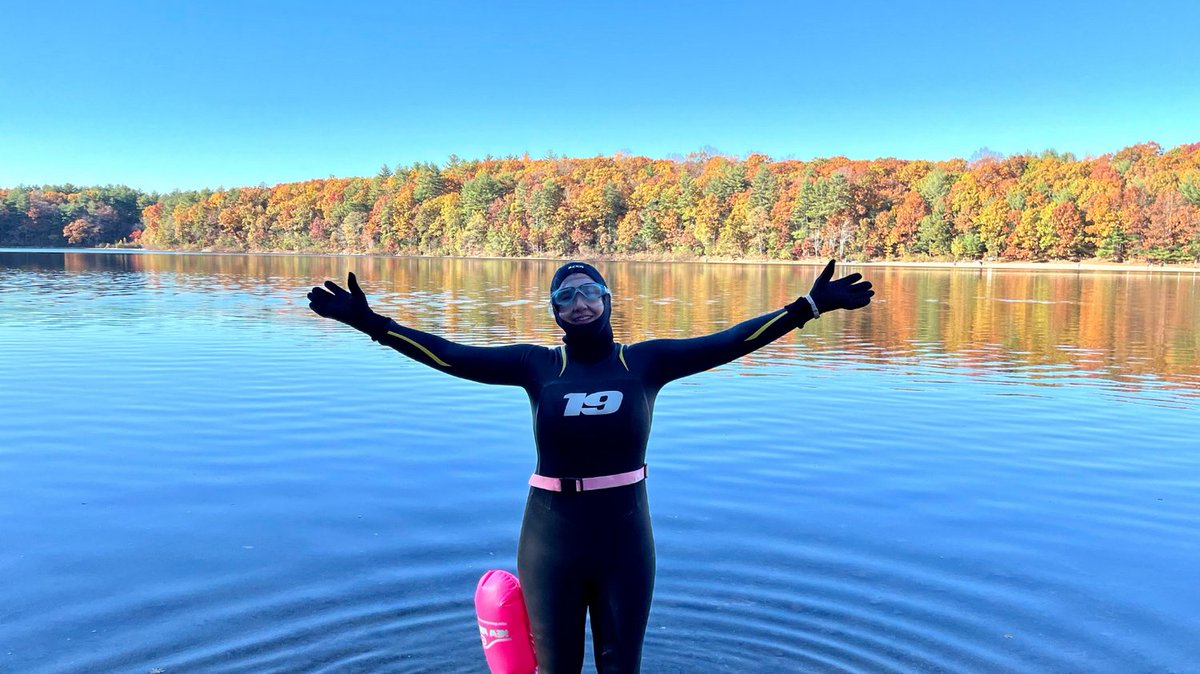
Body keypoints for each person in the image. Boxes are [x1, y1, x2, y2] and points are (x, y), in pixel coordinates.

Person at [307, 260, 873, 673]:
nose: (578, 303)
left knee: (621, 667)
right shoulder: (537, 366)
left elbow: (730, 342)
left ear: (606, 299)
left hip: (625, 535)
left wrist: (810, 306)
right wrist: (370, 323)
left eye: (588, 292)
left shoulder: (645, 362)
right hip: (550, 535)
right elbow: (451, 355)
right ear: (554, 311)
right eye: (564, 297)